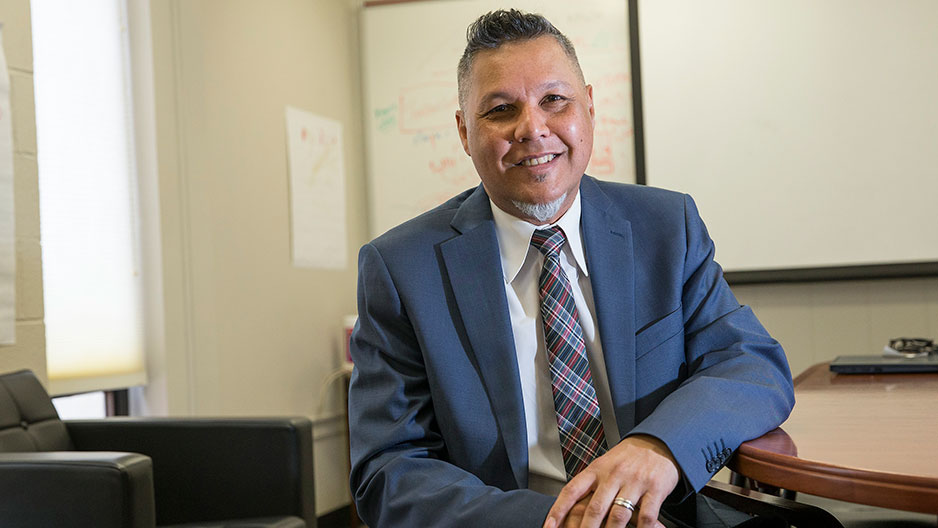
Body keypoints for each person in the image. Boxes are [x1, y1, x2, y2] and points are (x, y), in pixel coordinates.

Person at [348, 9, 794, 528]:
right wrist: (559, 522)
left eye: (554, 101)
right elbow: (389, 468)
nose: (532, 129)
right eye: (499, 110)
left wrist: (657, 446)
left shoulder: (666, 227)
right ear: (464, 132)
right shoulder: (402, 268)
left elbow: (752, 363)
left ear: (589, 108)